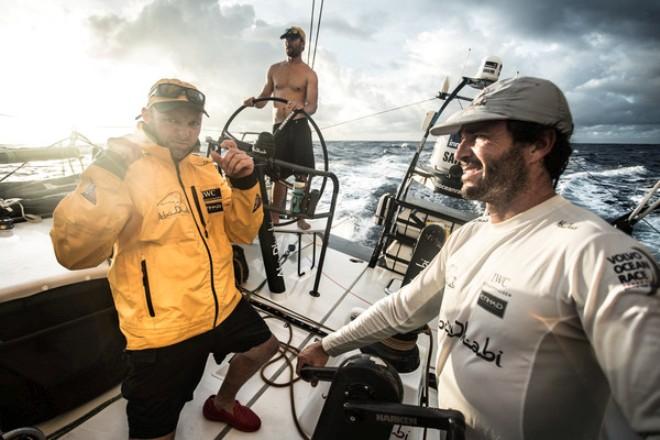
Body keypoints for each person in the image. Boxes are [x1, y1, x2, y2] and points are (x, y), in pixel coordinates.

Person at [297, 77, 660, 439]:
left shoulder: (597, 252)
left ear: (539, 144)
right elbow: (402, 309)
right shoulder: (469, 236)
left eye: (479, 136)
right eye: (460, 138)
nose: (459, 152)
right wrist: (327, 346)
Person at [51, 78, 279, 440]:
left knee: (266, 346)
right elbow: (73, 253)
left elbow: (241, 232)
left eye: (192, 122)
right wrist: (108, 172)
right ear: (146, 115)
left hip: (220, 303)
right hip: (163, 330)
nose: (184, 132)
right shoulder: (121, 171)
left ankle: (222, 403)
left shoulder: (206, 169)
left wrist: (245, 182)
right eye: (173, 119)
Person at [244, 25, 319, 230]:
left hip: (299, 125)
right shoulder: (274, 69)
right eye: (286, 39)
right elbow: (263, 100)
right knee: (278, 173)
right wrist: (254, 101)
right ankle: (276, 216)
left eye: (293, 39)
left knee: (302, 174)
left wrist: (301, 107)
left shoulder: (309, 74)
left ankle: (299, 216)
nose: (289, 42)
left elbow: (312, 106)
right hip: (279, 126)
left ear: (302, 44)